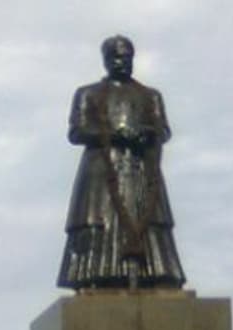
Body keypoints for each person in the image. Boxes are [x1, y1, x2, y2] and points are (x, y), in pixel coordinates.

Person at [57, 35, 186, 291]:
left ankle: (157, 272)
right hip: (101, 173)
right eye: (116, 57)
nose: (122, 62)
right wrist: (115, 135)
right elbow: (77, 132)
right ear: (105, 60)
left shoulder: (151, 96)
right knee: (99, 223)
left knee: (150, 222)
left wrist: (147, 133)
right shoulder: (88, 94)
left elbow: (164, 130)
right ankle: (96, 274)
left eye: (126, 57)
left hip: (140, 168)